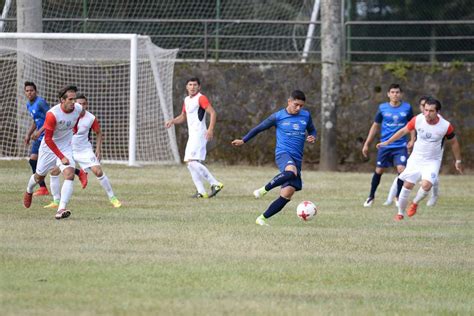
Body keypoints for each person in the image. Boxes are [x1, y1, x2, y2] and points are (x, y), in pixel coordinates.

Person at [231, 90, 316, 226]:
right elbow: (259, 128)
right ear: (289, 101)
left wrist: (313, 136)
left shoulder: (306, 116)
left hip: (297, 158)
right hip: (283, 153)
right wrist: (243, 140)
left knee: (287, 194)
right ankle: (262, 190)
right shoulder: (278, 116)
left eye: (301, 106)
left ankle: (261, 219)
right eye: (296, 105)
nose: (299, 108)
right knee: (290, 172)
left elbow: (312, 129)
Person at [376, 97, 463, 221]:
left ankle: (415, 202)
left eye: (431, 111)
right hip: (416, 159)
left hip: (432, 160)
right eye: (425, 110)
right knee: (407, 185)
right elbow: (403, 131)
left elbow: (454, 142)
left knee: (427, 185)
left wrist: (458, 160)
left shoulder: (445, 126)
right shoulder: (418, 119)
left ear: (437, 112)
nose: (427, 113)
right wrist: (388, 142)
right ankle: (400, 213)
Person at [23, 85, 83, 220]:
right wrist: (61, 157)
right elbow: (48, 139)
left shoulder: (78, 109)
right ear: (62, 100)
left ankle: (61, 209)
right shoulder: (52, 114)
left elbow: (78, 118)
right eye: (71, 99)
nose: (74, 102)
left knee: (69, 174)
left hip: (65, 146)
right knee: (39, 177)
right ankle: (29, 190)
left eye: (75, 99)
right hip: (48, 148)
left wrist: (75, 129)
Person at [165, 77, 223, 198]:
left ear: (199, 87)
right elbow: (183, 116)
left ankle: (215, 183)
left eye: (195, 85)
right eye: (190, 85)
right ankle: (201, 191)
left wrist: (210, 129)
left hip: (200, 134)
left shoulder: (201, 98)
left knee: (192, 162)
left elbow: (212, 112)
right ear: (186, 87)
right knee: (190, 163)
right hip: (193, 135)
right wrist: (172, 121)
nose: (192, 87)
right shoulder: (186, 100)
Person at [362, 83, 414, 207]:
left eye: (397, 92)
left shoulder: (407, 108)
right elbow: (375, 126)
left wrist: (412, 140)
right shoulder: (382, 108)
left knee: (402, 169)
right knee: (379, 170)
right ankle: (371, 196)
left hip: (400, 145)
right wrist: (367, 144)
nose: (395, 94)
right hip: (385, 145)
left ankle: (398, 197)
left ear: (401, 94)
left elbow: (412, 125)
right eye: (392, 92)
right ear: (388, 94)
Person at [23, 82, 50, 196]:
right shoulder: (28, 105)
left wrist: (39, 132)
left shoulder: (41, 103)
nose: (29, 93)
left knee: (56, 165)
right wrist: (28, 134)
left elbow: (50, 118)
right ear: (25, 92)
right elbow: (36, 120)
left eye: (31, 90)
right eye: (27, 91)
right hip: (39, 136)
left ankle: (78, 173)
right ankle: (43, 188)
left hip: (48, 135)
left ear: (36, 91)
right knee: (33, 160)